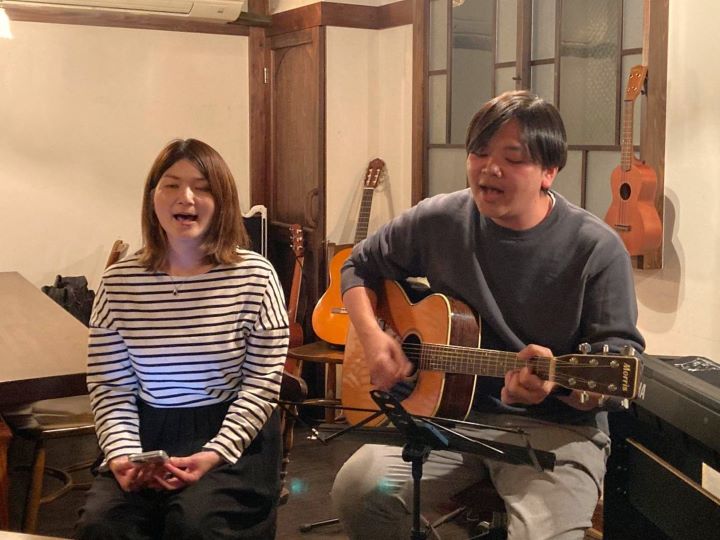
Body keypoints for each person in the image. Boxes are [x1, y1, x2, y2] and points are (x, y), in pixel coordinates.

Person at [331, 90, 645, 540]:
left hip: (555, 429)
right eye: (479, 152)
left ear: (549, 172)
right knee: (358, 490)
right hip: (447, 420)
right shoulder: (441, 218)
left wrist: (557, 387)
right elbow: (357, 265)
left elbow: (610, 380)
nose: (489, 168)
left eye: (512, 158)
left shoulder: (596, 249)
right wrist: (372, 335)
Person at [75, 138, 289, 540]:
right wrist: (121, 453)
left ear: (222, 201)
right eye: (171, 185)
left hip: (230, 431)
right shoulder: (120, 281)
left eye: (202, 188)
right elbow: (110, 385)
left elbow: (262, 384)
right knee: (101, 525)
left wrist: (213, 453)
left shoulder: (255, 277)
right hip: (144, 430)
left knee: (196, 525)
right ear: (152, 197)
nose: (185, 197)